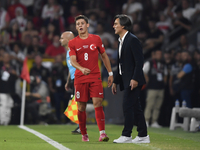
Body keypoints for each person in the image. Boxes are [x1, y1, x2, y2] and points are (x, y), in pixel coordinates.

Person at [68, 15, 113, 142]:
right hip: (80, 78)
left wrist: (110, 73)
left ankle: (102, 133)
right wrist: (81, 69)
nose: (80, 26)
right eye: (78, 24)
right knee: (81, 107)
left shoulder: (97, 39)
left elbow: (104, 56)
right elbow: (72, 60)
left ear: (87, 25)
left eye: (82, 23)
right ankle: (84, 134)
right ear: (76, 27)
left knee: (97, 103)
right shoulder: (73, 43)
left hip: (95, 77)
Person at [112, 14, 150, 144]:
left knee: (127, 105)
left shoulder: (132, 39)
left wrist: (135, 78)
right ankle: (143, 135)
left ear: (123, 25)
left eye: (116, 24)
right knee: (135, 108)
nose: (114, 26)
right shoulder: (121, 40)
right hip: (126, 79)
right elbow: (120, 64)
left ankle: (126, 135)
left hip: (134, 80)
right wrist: (116, 81)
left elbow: (140, 62)